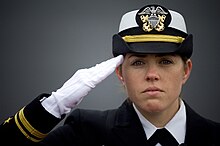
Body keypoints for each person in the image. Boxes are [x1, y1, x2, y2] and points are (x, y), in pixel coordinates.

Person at [1, 4, 220, 146]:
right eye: (138, 62)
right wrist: (53, 106)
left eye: (165, 61)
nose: (152, 74)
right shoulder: (85, 134)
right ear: (120, 73)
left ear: (186, 71)